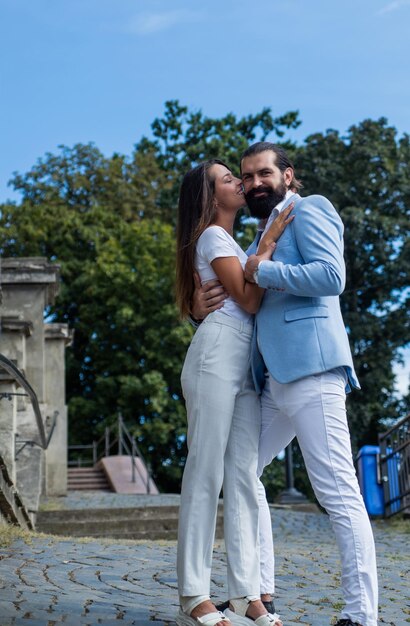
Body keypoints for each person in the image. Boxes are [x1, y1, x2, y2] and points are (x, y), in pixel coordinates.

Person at [191, 143, 378, 626]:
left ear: (288, 175)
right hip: (271, 381)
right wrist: (198, 303)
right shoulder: (257, 236)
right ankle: (260, 591)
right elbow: (239, 297)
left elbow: (331, 276)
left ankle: (362, 614)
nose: (253, 182)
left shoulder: (310, 209)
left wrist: (262, 268)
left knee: (337, 492)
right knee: (244, 475)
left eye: (263, 174)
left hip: (313, 370)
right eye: (246, 176)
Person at [176, 158, 293, 626]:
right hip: (214, 359)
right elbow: (247, 298)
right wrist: (265, 246)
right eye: (229, 179)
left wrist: (254, 256)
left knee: (244, 475)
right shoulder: (212, 236)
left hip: (242, 365)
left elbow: (242, 294)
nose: (241, 185)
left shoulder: (229, 242)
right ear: (210, 196)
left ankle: (246, 595)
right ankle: (193, 594)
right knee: (205, 471)